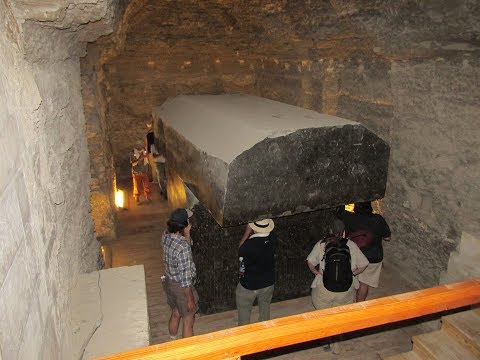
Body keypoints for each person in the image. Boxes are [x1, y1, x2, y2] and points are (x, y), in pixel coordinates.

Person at [306, 218, 369, 310]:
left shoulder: (322, 243)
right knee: (341, 313)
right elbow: (364, 264)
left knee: (323, 313)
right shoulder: (351, 244)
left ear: (330, 230)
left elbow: (310, 262)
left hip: (324, 287)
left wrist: (317, 273)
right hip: (346, 288)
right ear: (343, 231)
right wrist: (351, 274)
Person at [337, 201, 391, 302]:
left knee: (351, 278)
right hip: (372, 257)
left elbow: (338, 210)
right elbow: (387, 238)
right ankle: (359, 307)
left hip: (353, 256)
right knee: (364, 283)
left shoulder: (348, 217)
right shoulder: (377, 219)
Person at [162, 208, 198, 339]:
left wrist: (187, 234)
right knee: (188, 320)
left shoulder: (165, 235)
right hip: (181, 288)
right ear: (184, 224)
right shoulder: (182, 247)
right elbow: (185, 279)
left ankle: (172, 340)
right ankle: (188, 352)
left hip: (168, 281)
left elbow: (184, 248)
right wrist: (190, 299)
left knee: (176, 311)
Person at [236, 218, 277, 326]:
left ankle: (245, 334)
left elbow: (240, 249)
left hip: (249, 285)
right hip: (268, 283)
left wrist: (247, 232)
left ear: (254, 228)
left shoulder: (250, 244)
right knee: (265, 309)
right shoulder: (273, 238)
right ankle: (264, 331)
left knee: (244, 315)